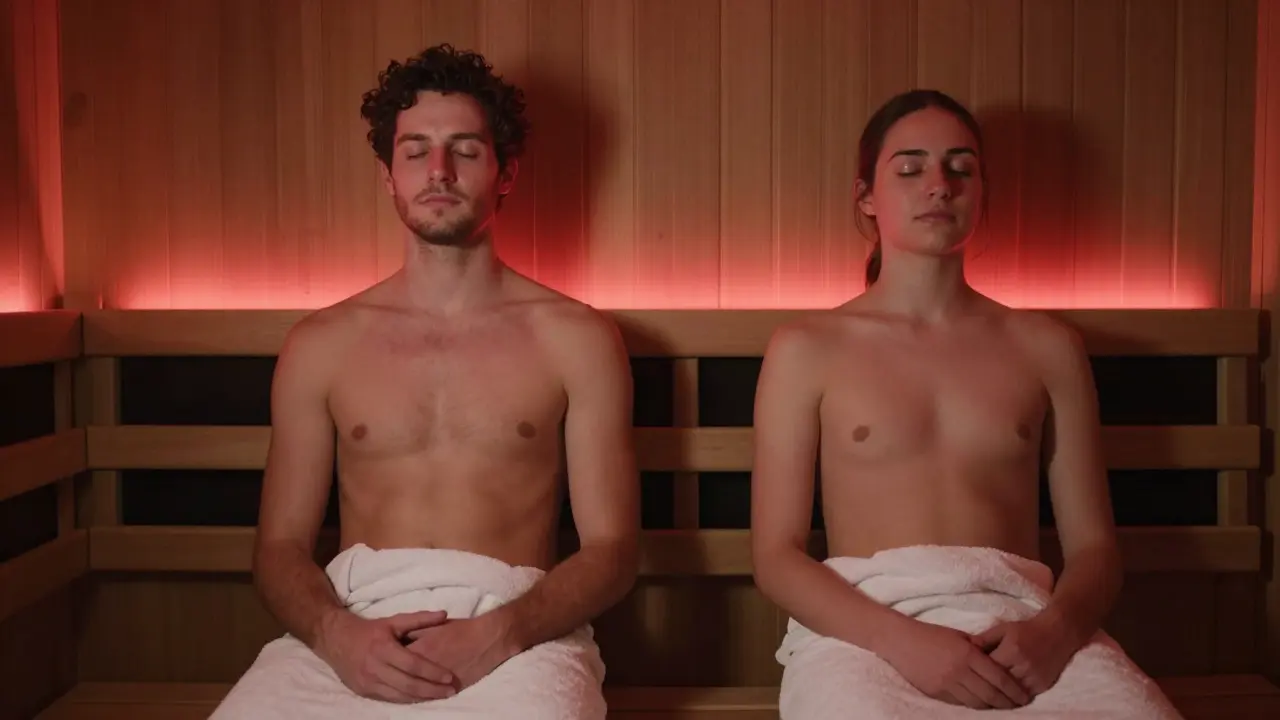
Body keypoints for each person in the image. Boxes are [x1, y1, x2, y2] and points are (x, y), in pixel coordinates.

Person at [210, 44, 639, 720]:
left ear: (505, 171)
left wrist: (500, 633)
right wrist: (336, 635)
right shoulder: (322, 345)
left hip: (518, 630)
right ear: (389, 174)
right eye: (415, 152)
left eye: (465, 150)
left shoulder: (575, 339)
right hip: (354, 622)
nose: (439, 171)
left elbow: (613, 551)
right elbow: (279, 548)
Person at [749, 89, 1182, 719]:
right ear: (866, 196)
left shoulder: (1046, 347)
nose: (939, 185)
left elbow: (1095, 551)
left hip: (1021, 624)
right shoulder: (807, 348)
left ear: (981, 193)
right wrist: (904, 643)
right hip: (868, 630)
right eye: (910, 168)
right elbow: (776, 557)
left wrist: (1053, 634)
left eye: (961, 168)